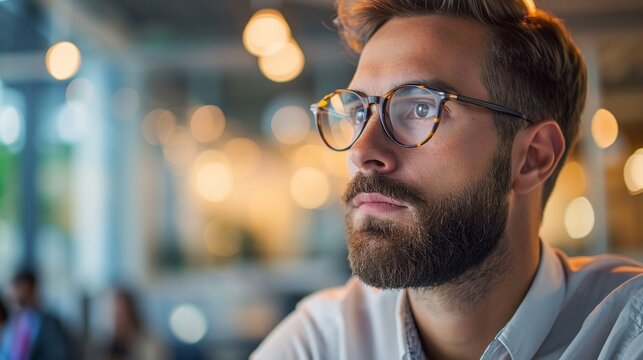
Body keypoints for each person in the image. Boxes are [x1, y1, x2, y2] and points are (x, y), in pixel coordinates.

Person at [252, 0, 643, 359]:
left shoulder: (624, 334)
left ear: (531, 158)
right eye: (358, 114)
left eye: (421, 107)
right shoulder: (321, 343)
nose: (361, 151)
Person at [0, 269, 75, 360]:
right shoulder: (8, 320)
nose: (19, 294)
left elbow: (59, 353)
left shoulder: (49, 323)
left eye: (24, 288)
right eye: (16, 288)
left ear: (33, 291)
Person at [98, 288, 166, 360]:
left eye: (119, 314)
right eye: (111, 314)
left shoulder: (149, 344)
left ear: (132, 314)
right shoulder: (106, 344)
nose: (114, 320)